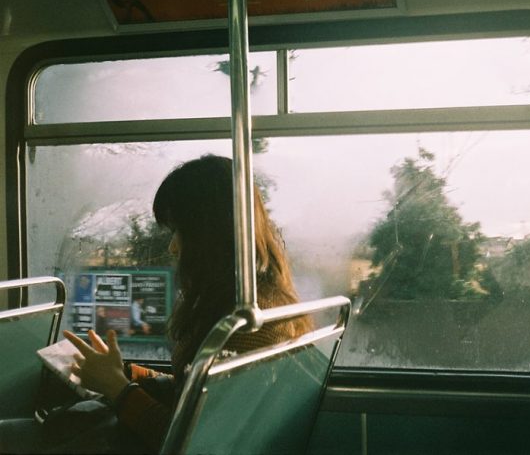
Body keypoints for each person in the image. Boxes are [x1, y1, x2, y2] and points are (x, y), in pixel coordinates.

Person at [0, 155, 311, 454]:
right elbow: (187, 391)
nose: (173, 247)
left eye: (179, 231)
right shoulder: (249, 301)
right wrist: (124, 372)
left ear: (210, 234)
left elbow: (193, 441)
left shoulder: (248, 326)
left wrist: (119, 389)